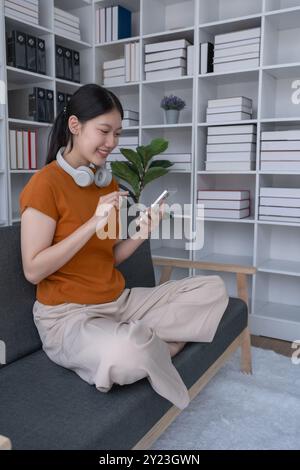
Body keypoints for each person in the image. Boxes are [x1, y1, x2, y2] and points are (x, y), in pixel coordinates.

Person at [19, 84, 229, 410]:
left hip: (120, 302)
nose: (112, 142)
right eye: (104, 131)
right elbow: (33, 270)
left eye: (117, 133)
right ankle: (142, 343)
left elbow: (110, 258)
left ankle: (140, 339)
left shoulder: (108, 182)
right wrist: (91, 223)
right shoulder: (44, 184)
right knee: (126, 354)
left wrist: (142, 233)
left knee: (213, 289)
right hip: (68, 318)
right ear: (75, 126)